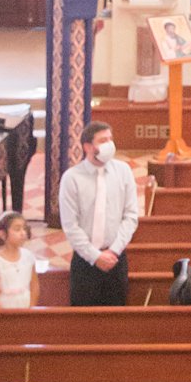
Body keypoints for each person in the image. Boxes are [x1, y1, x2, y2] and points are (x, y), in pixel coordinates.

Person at [58, 119, 139, 305]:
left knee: (115, 322)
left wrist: (113, 251)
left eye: (110, 139)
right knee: (84, 322)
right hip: (85, 261)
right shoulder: (72, 178)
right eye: (103, 140)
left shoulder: (123, 171)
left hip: (116, 258)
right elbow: (70, 225)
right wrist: (95, 257)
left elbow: (131, 216)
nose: (109, 144)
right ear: (88, 146)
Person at [0, 210, 39, 310]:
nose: (23, 233)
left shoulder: (28, 256)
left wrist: (30, 309)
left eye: (24, 229)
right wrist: (6, 317)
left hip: (25, 309)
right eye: (17, 229)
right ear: (3, 234)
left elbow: (34, 286)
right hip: (4, 314)